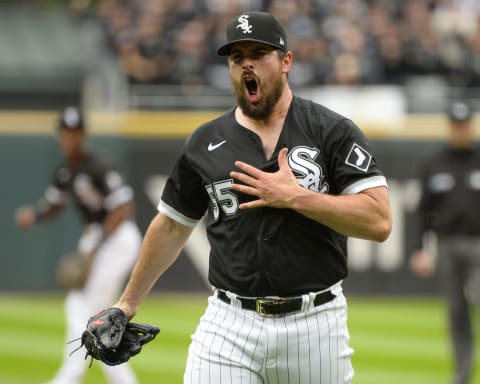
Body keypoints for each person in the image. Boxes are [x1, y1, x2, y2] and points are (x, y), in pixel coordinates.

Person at [111, 11, 392, 383]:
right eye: (236, 56)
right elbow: (171, 226)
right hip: (230, 323)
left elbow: (379, 221)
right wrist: (127, 302)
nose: (247, 64)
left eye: (258, 53)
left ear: (286, 61)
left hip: (315, 325)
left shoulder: (331, 131)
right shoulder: (203, 142)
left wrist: (296, 197)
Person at [14, 106, 142, 384]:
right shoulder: (64, 171)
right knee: (97, 314)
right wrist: (34, 214)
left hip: (117, 239)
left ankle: (70, 374)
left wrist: (97, 245)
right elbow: (54, 204)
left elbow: (122, 208)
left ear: (83, 135)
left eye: (74, 132)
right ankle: (115, 376)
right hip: (98, 238)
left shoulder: (98, 164)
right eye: (65, 132)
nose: (69, 138)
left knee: (83, 304)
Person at [410, 100, 479, 384]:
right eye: (456, 125)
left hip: (479, 245)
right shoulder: (434, 163)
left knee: (477, 293)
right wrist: (419, 250)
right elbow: (422, 213)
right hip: (447, 244)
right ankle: (462, 373)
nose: (460, 130)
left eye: (464, 125)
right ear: (450, 126)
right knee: (456, 311)